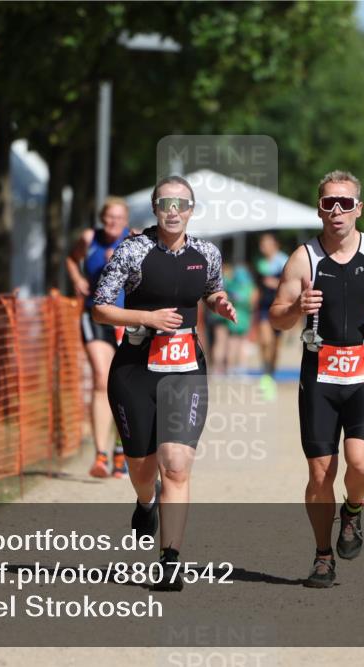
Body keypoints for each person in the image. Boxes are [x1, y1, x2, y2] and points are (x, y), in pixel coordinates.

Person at [268, 170, 364, 589]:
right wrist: (296, 306)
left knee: (362, 464)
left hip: (363, 370)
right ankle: (322, 556)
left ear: (358, 209)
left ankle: (352, 510)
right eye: (329, 203)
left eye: (345, 203)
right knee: (319, 474)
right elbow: (277, 317)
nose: (337, 211)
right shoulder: (303, 258)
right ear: (319, 208)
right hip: (319, 373)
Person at [92, 175, 236, 592]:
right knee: (141, 464)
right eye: (166, 203)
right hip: (135, 368)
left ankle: (170, 559)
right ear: (155, 208)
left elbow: (211, 290)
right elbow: (100, 307)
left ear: (192, 210)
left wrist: (219, 303)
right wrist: (146, 318)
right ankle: (145, 500)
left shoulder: (206, 253)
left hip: (185, 367)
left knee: (176, 464)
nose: (174, 210)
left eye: (182, 203)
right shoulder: (134, 250)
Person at [66, 197, 131, 478]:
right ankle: (100, 455)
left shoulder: (135, 240)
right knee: (101, 379)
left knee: (125, 386)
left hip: (128, 318)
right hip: (95, 315)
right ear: (102, 218)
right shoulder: (89, 237)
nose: (113, 222)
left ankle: (121, 449)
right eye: (109, 217)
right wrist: (77, 279)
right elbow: (71, 258)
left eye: (118, 217)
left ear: (126, 220)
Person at [254, 234, 289, 400]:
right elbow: (257, 285)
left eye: (266, 244)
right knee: (265, 340)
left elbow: (289, 284)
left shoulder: (284, 261)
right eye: (262, 244)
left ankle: (271, 374)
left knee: (275, 344)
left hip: (279, 306)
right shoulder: (260, 263)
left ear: (275, 245)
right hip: (263, 307)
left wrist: (275, 284)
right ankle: (265, 372)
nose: (263, 247)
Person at [212, 261, 255, 375]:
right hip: (234, 316)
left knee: (226, 343)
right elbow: (251, 302)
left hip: (223, 315)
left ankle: (223, 369)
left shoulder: (228, 283)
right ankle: (232, 369)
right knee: (230, 343)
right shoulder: (241, 285)